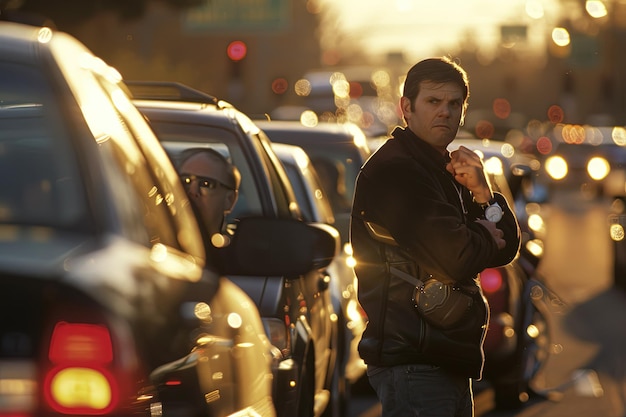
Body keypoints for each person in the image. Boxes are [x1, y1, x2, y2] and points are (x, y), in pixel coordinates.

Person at [350, 57, 521, 416]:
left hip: (443, 358)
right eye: (433, 102)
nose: (445, 112)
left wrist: (483, 193)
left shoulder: (440, 166)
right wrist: (481, 235)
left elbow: (507, 244)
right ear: (406, 108)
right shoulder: (398, 170)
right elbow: (454, 256)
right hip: (414, 360)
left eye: (454, 104)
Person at [177, 148, 241, 248]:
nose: (193, 192)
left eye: (206, 184)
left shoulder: (240, 254)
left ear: (230, 199)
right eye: (185, 181)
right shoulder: (151, 244)